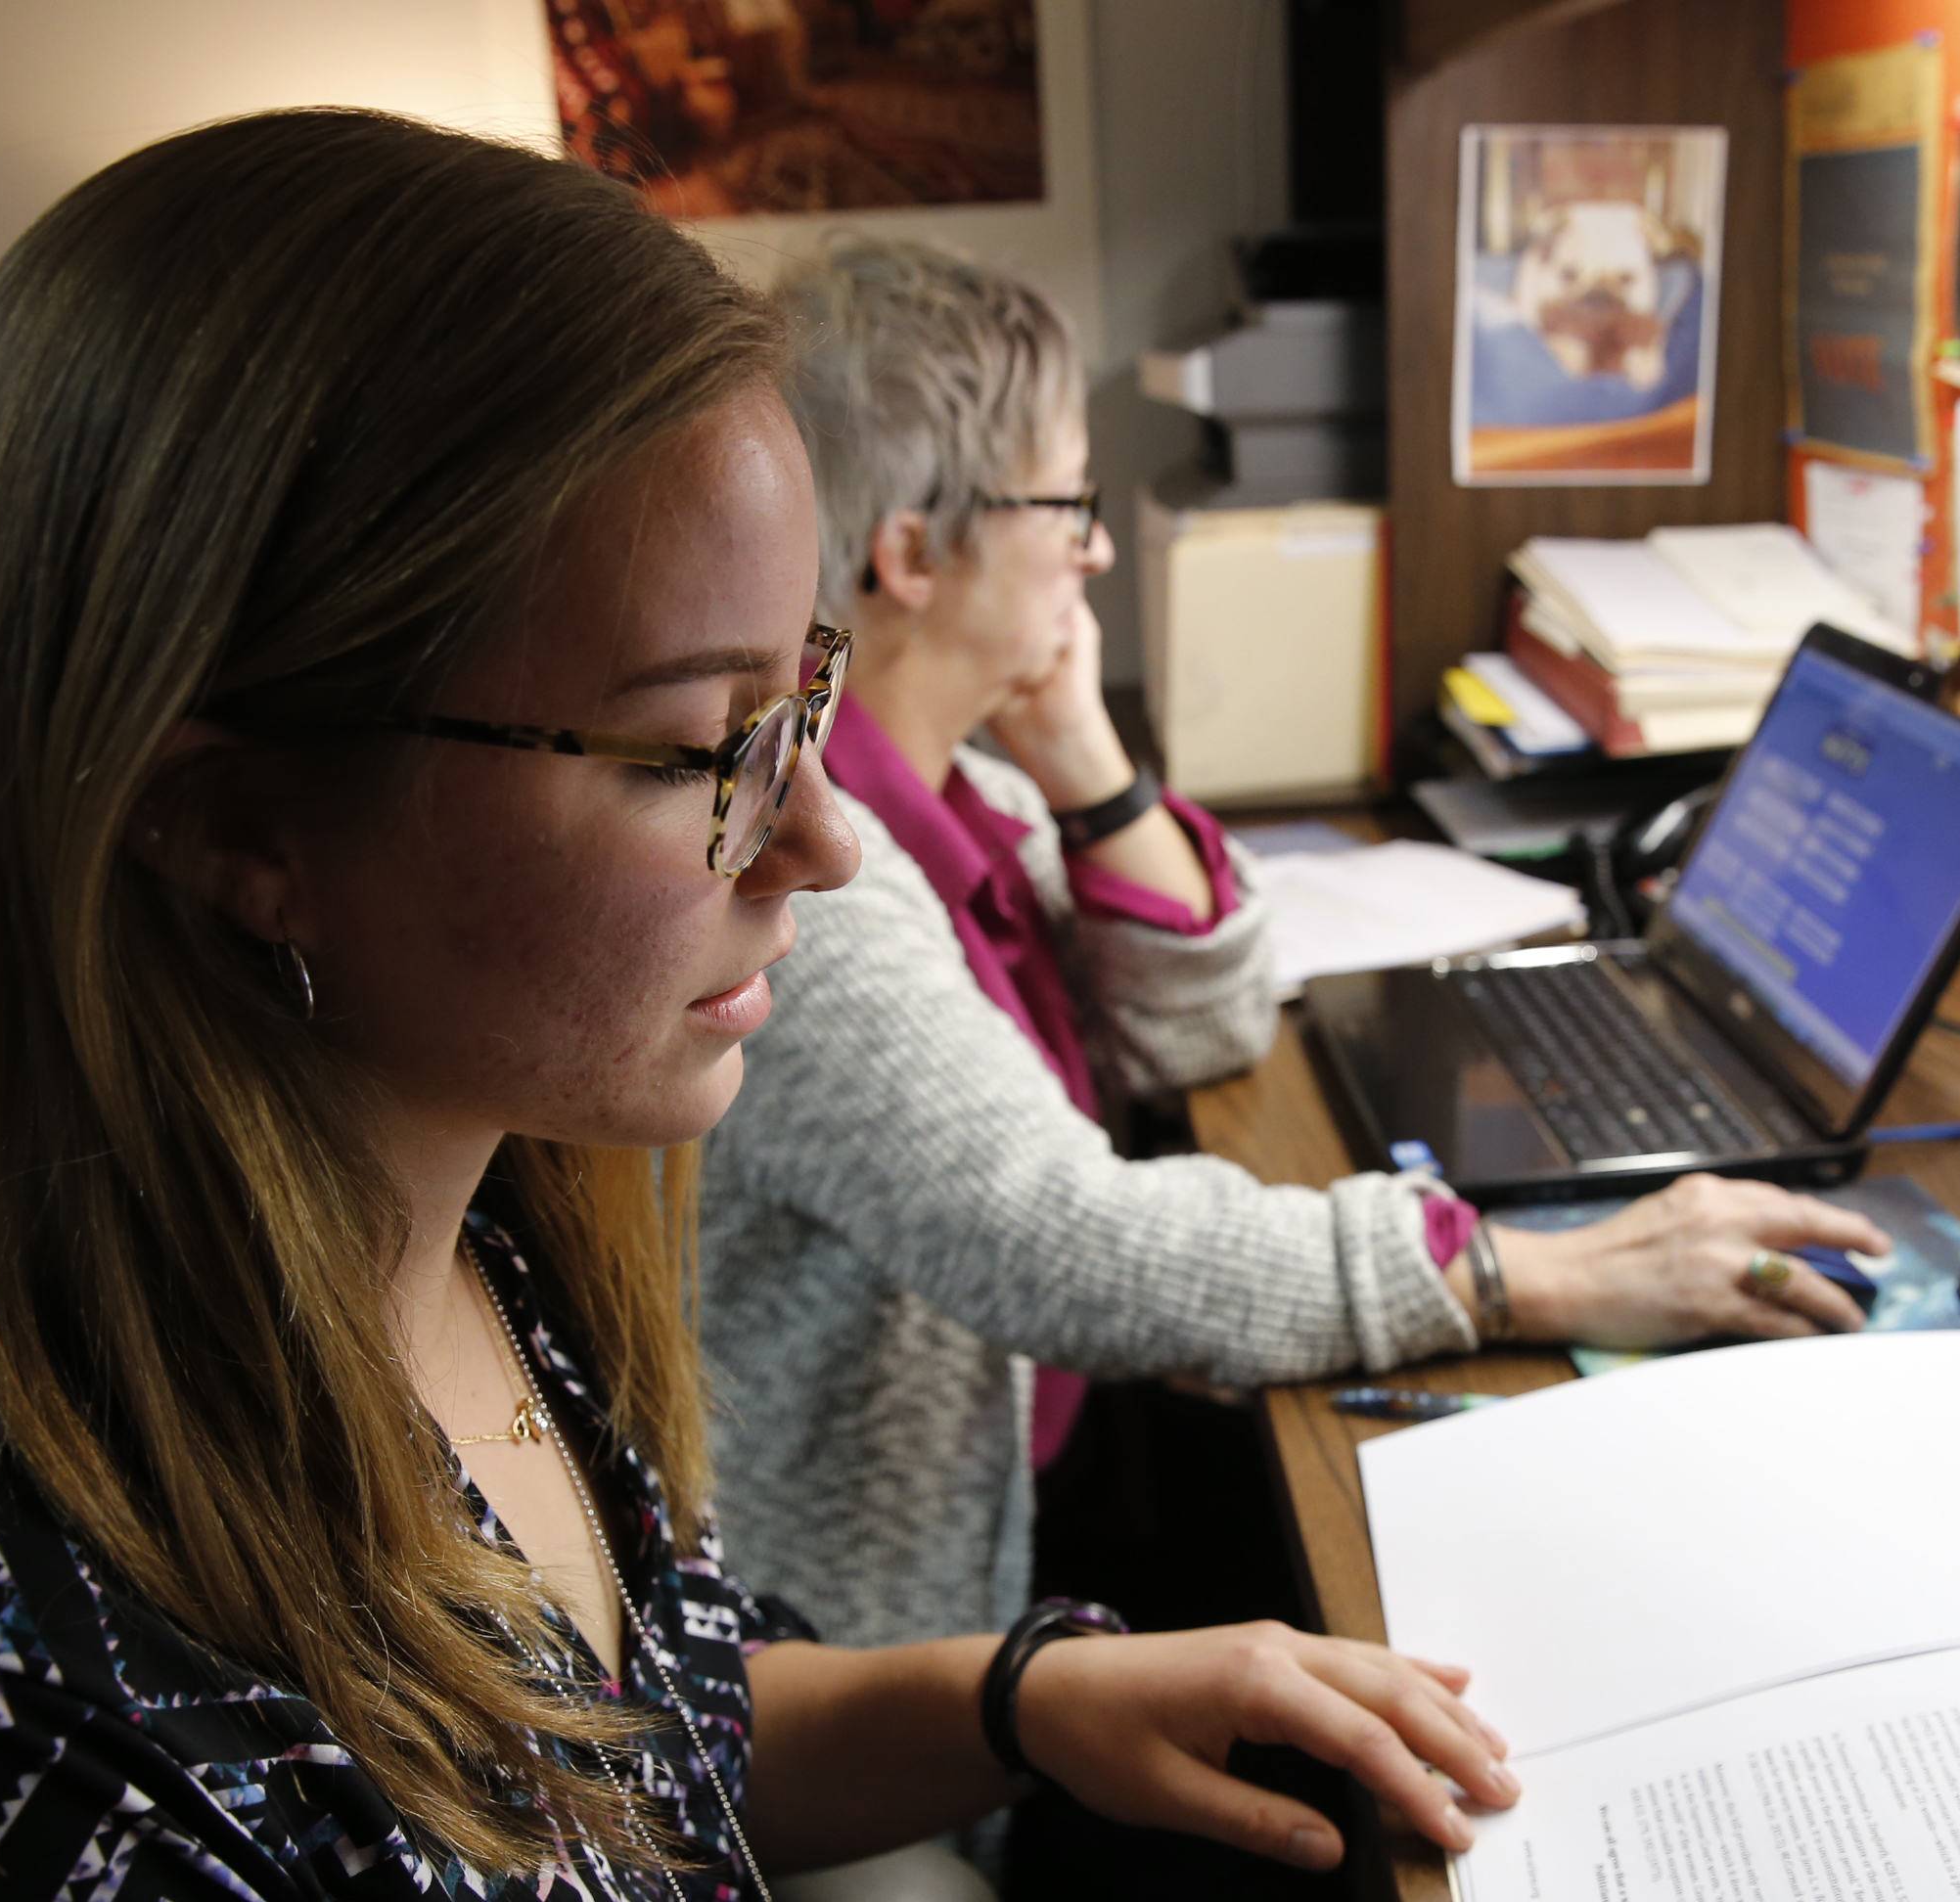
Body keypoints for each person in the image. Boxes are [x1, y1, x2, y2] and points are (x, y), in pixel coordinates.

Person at [0, 113, 1518, 1902]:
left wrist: (1014, 1697)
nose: (820, 840)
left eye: (799, 695)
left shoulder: (481, 1213)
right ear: (231, 820)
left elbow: (632, 1744)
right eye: (687, 749)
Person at [697, 235, 1894, 1655]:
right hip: (853, 1637)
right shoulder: (813, 886)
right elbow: (1064, 1242)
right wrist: (1538, 1275)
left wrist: (1091, 759)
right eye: (1069, 504)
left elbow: (1207, 1027)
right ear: (910, 553)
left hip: (1042, 1479)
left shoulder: (973, 783)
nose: (1095, 546)